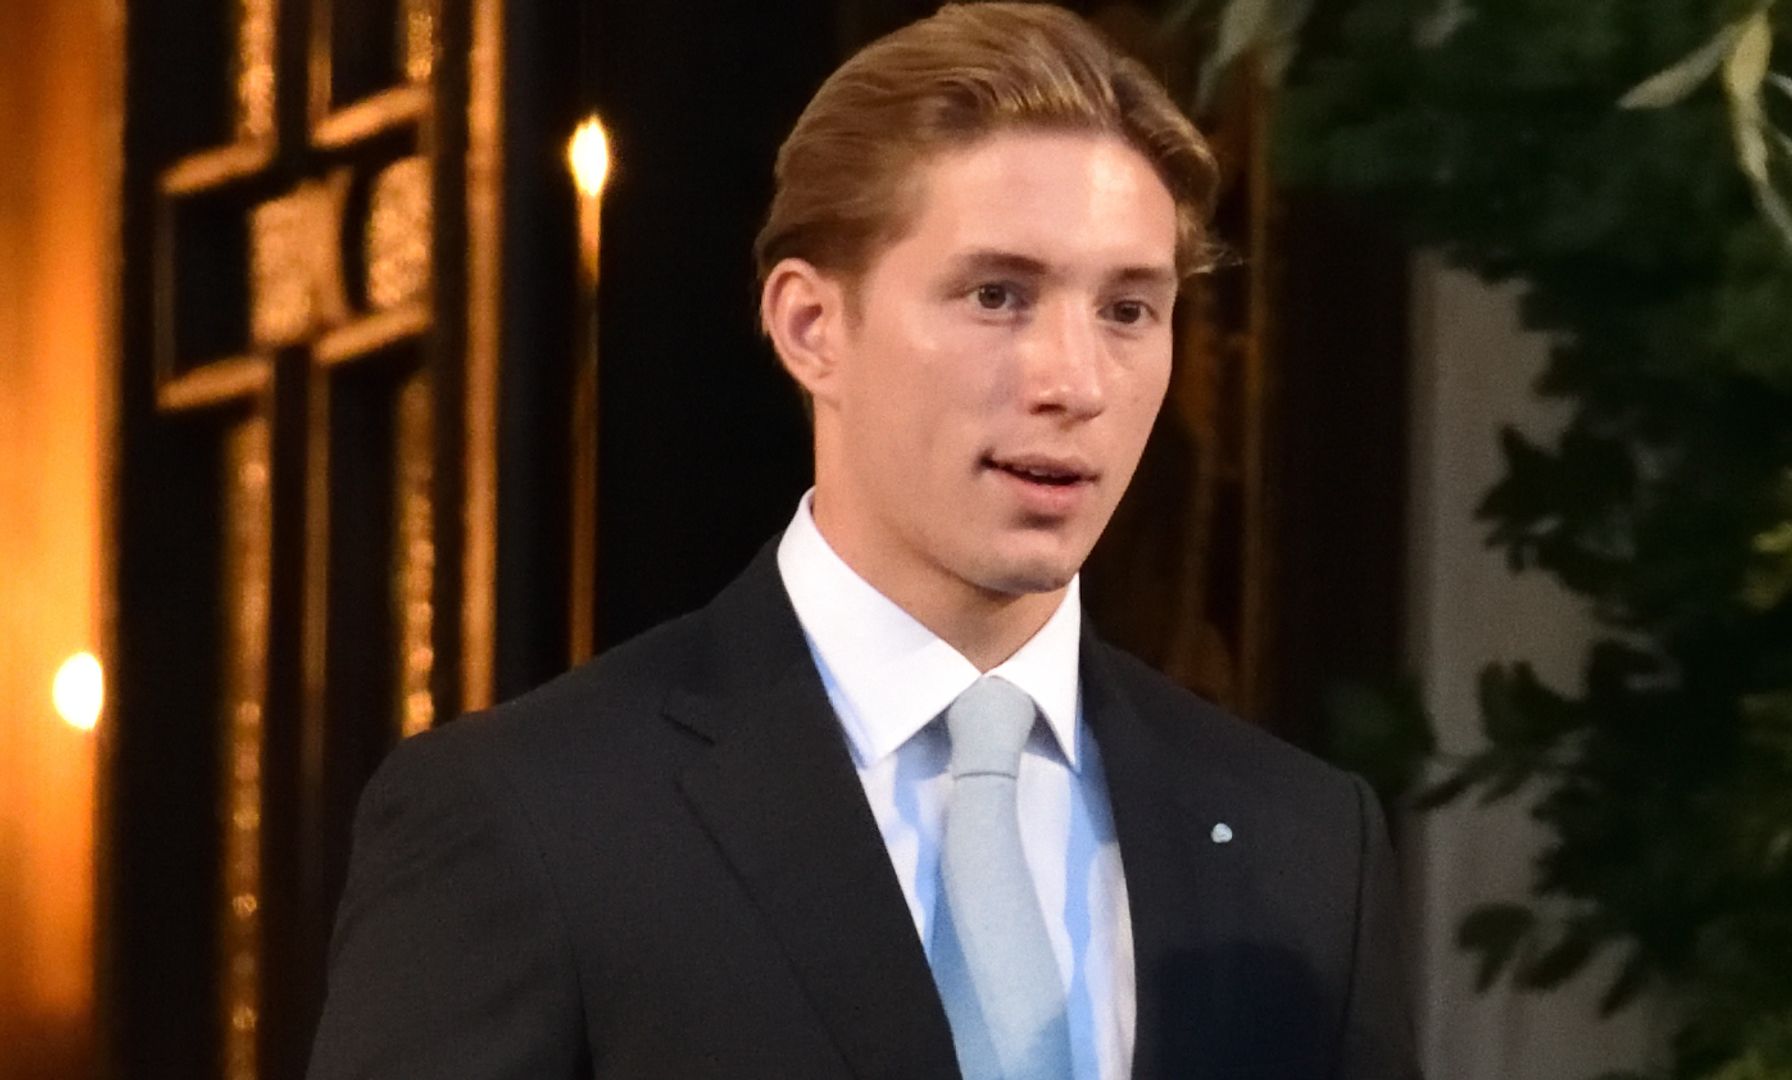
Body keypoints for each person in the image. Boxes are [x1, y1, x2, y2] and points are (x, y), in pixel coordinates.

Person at [305, 4, 1417, 1078]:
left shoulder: (1305, 847)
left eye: (1128, 310)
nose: (1075, 382)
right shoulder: (536, 815)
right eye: (998, 295)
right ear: (811, 327)